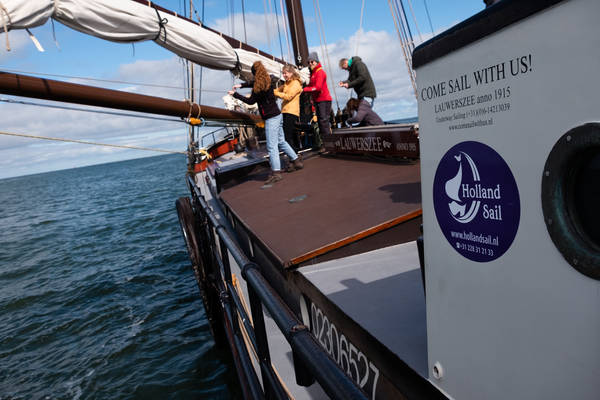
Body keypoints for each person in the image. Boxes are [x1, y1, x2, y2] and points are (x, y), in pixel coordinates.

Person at [229, 61, 303, 185]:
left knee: (272, 146)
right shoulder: (268, 80)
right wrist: (241, 86)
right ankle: (296, 161)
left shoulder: (258, 87)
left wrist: (235, 95)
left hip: (271, 118)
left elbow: (251, 101)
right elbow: (254, 82)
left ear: (254, 73)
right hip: (278, 115)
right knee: (281, 141)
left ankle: (276, 173)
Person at [303, 52, 332, 152]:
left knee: (323, 122)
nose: (310, 63)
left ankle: (329, 145)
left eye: (312, 61)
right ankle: (325, 144)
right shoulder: (314, 74)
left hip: (324, 100)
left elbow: (318, 87)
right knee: (320, 122)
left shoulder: (320, 72)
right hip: (318, 101)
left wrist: (305, 90)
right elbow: (311, 85)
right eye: (309, 62)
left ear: (317, 61)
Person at [273, 65, 303, 152]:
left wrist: (276, 94)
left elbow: (289, 96)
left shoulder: (296, 83)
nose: (284, 75)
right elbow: (278, 90)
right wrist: (271, 91)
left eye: (285, 73)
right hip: (285, 111)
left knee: (287, 135)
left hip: (292, 112)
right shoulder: (287, 83)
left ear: (291, 73)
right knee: (292, 134)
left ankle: (293, 155)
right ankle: (296, 153)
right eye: (283, 73)